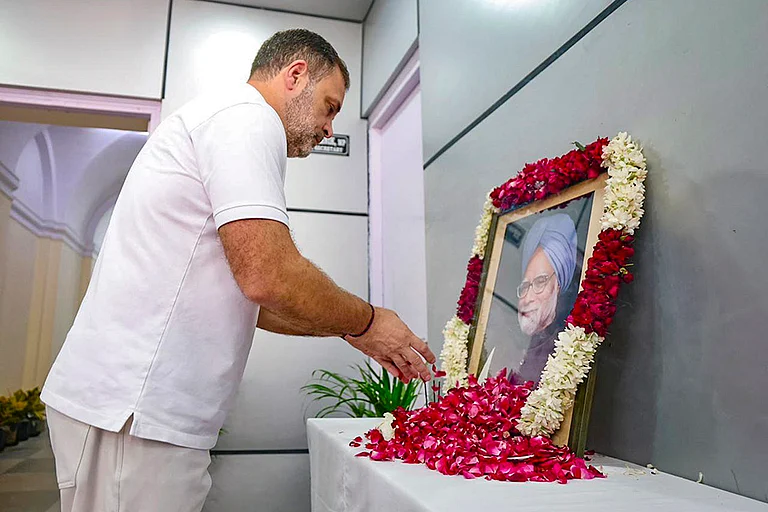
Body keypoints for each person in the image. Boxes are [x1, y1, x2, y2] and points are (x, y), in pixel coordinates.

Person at [40, 29, 435, 512]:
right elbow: (268, 276)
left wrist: (352, 329)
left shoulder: (231, 118)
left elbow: (253, 301)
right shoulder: (246, 117)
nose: (330, 128)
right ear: (296, 75)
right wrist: (368, 321)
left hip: (136, 412)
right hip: (133, 411)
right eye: (329, 107)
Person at [509, 213, 578, 384]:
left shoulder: (569, 349)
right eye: (525, 286)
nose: (527, 298)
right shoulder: (514, 345)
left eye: (540, 282)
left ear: (558, 287)